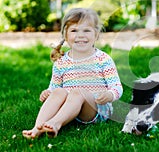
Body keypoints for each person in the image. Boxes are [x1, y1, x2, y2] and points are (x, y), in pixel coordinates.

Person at [22, 8, 123, 139]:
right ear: (65, 35)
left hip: (95, 109)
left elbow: (117, 87)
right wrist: (48, 92)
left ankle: (55, 123)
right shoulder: (61, 63)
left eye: (86, 30)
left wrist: (109, 95)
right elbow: (54, 87)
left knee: (77, 92)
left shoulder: (103, 59)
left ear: (96, 34)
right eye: (74, 30)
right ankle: (37, 128)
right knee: (58, 91)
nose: (80, 35)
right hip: (69, 110)